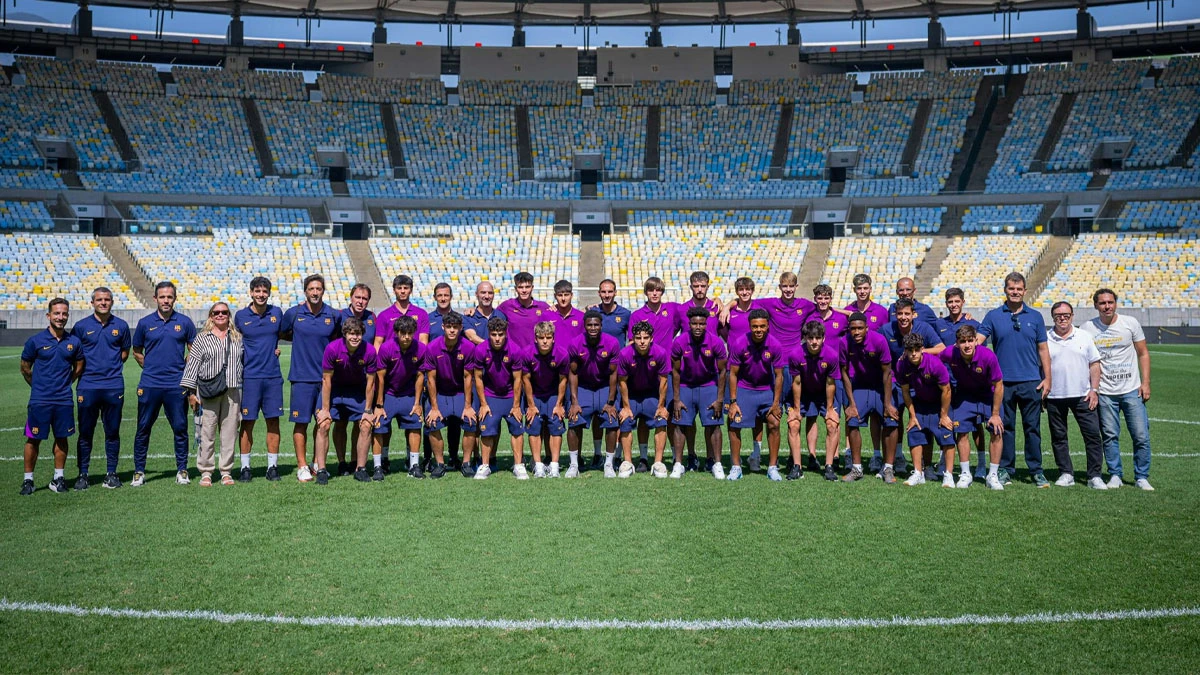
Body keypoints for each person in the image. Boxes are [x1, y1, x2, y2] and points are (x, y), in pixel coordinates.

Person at [976, 272, 1051, 487]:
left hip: (1031, 382)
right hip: (1002, 383)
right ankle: (1005, 469)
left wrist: (1048, 378)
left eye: (1019, 289)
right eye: (1011, 288)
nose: (1015, 292)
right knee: (1004, 427)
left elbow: (1043, 349)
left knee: (1032, 428)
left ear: (1025, 291)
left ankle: (1036, 470)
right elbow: (978, 341)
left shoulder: (1035, 316)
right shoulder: (993, 315)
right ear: (1005, 290)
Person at [1079, 288, 1154, 491]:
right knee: (1110, 436)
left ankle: (1141, 476)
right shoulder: (1087, 328)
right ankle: (1115, 475)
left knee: (1140, 435)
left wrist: (1145, 383)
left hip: (1132, 390)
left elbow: (1143, 353)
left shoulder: (1130, 323)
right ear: (1095, 305)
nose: (1107, 306)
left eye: (1110, 302)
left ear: (1116, 303)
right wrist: (1092, 389)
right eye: (1102, 303)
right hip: (1105, 392)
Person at [132, 281, 197, 487]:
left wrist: (182, 368)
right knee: (143, 428)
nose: (166, 300)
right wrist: (150, 367)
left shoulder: (185, 322)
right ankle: (139, 471)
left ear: (174, 299)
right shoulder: (145, 323)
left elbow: (193, 350)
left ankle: (182, 470)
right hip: (150, 384)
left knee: (180, 428)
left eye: (169, 297)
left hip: (176, 385)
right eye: (162, 297)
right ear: (155, 299)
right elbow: (136, 351)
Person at [19, 298, 83, 495]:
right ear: (48, 315)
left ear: (68, 316)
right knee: (33, 439)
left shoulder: (74, 342)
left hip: (63, 399)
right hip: (40, 400)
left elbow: (79, 366)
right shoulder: (35, 341)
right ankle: (28, 480)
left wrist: (66, 383)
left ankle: (58, 478)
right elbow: (25, 367)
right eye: (56, 313)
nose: (60, 317)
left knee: (62, 438)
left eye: (64, 314)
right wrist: (38, 386)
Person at [280, 274, 340, 483]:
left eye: (318, 289)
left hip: (325, 379)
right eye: (311, 289)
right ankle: (302, 465)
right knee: (301, 423)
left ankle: (317, 462)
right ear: (305, 291)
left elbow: (339, 340)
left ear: (323, 291)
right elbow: (280, 333)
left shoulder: (333, 315)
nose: (315, 293)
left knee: (323, 423)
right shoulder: (294, 313)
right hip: (301, 378)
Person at [71, 286, 130, 490]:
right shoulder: (81, 326)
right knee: (85, 432)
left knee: (112, 432)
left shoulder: (121, 325)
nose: (103, 303)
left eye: (107, 300)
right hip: (87, 386)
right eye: (99, 300)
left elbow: (124, 353)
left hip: (113, 386)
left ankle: (111, 473)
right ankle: (83, 474)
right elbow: (74, 354)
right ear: (92, 303)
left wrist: (109, 367)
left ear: (112, 302)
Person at [180, 302, 244, 487]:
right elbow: (192, 365)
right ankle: (206, 471)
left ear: (229, 315)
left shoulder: (237, 337)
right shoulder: (202, 338)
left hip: (232, 390)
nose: (220, 315)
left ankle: (226, 471)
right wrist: (191, 393)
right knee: (206, 431)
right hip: (208, 390)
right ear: (211, 316)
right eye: (216, 312)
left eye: (224, 312)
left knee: (229, 433)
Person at [879, 298, 944, 478]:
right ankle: (891, 463)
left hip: (921, 381)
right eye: (899, 314)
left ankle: (927, 465)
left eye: (907, 313)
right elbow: (877, 348)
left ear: (913, 314)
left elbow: (941, 348)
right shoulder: (886, 330)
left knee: (925, 421)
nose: (903, 317)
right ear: (895, 314)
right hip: (896, 381)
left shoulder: (924, 328)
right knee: (891, 419)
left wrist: (919, 352)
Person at [1045, 302, 1105, 489]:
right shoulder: (1045, 338)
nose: (1062, 318)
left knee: (1092, 436)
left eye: (1066, 315)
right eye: (1058, 315)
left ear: (1072, 316)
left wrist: (1094, 390)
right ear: (1053, 317)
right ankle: (1066, 473)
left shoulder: (1084, 336)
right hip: (1055, 396)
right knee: (1059, 437)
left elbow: (1094, 364)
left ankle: (1094, 476)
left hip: (1083, 395)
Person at [374, 274, 430, 472]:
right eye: (399, 288)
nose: (403, 291)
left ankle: (412, 462)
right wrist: (382, 363)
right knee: (382, 424)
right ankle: (383, 461)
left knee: (413, 423)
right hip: (389, 376)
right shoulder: (384, 315)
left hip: (410, 374)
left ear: (410, 290)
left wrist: (414, 359)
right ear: (395, 290)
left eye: (406, 288)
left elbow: (423, 341)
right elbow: (378, 342)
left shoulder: (421, 314)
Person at [940, 325, 1006, 491]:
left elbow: (999, 384)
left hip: (988, 394)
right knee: (961, 431)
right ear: (956, 343)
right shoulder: (950, 353)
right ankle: (965, 473)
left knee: (996, 429)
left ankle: (992, 475)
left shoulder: (988, 356)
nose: (967, 345)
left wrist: (995, 414)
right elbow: (936, 358)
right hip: (965, 394)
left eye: (970, 340)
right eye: (963, 341)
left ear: (976, 341)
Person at [314, 317, 379, 485]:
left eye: (358, 334)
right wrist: (325, 409)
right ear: (345, 334)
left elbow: (371, 382)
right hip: (335, 390)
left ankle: (360, 469)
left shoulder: (370, 350)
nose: (355, 337)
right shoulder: (332, 348)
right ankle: (322, 470)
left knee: (366, 424)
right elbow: (326, 380)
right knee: (324, 424)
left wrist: (368, 410)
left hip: (357, 391)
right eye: (351, 333)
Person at [235, 276, 285, 482]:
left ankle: (272, 467)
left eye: (264, 291)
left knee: (273, 422)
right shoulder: (240, 316)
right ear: (251, 293)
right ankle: (245, 468)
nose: (261, 295)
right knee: (247, 422)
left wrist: (276, 348)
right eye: (257, 291)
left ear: (269, 293)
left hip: (273, 377)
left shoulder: (277, 313)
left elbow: (286, 333)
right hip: (250, 377)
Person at [726, 309, 785, 481]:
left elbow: (779, 376)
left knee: (774, 423)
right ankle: (736, 467)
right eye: (755, 326)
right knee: (734, 423)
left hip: (766, 390)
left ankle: (772, 468)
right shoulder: (739, 343)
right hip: (745, 389)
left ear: (768, 326)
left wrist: (776, 403)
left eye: (762, 326)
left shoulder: (775, 345)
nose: (758, 330)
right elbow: (733, 374)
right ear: (750, 326)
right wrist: (733, 402)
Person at [628, 276, 680, 471]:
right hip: (643, 371)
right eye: (651, 290)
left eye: (658, 290)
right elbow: (632, 341)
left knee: (667, 414)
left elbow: (694, 307)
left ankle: (674, 457)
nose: (655, 293)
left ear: (662, 292)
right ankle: (643, 457)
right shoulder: (637, 315)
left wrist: (722, 303)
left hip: (665, 370)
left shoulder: (672, 310)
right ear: (646, 292)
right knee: (643, 416)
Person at [671, 306, 728, 479]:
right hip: (686, 386)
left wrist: (720, 399)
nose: (698, 327)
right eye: (694, 324)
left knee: (714, 425)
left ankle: (717, 464)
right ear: (689, 324)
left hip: (708, 385)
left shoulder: (716, 342)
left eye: (701, 324)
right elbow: (675, 371)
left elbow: (723, 371)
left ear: (706, 324)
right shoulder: (680, 341)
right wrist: (676, 399)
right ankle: (678, 464)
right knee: (680, 423)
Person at [468, 316, 527, 480]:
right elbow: (477, 378)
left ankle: (518, 465)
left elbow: (518, 379)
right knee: (487, 430)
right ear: (489, 334)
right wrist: (483, 404)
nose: (497, 338)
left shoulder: (515, 350)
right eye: (494, 334)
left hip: (510, 395)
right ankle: (485, 465)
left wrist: (516, 406)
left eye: (500, 334)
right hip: (490, 395)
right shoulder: (481, 350)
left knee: (517, 429)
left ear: (505, 333)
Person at [839, 312, 895, 483]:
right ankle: (856, 468)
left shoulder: (879, 340)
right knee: (852, 420)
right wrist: (851, 404)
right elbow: (844, 373)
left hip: (880, 386)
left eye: (860, 328)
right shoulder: (844, 342)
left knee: (891, 420)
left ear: (867, 328)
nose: (856, 332)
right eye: (853, 329)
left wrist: (887, 403)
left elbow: (887, 373)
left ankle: (888, 468)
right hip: (860, 386)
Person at [936, 287, 985, 478]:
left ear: (963, 302)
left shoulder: (973, 324)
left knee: (976, 424)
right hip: (946, 382)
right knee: (946, 420)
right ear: (946, 304)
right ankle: (944, 459)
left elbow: (980, 352)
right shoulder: (940, 324)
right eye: (950, 302)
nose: (954, 305)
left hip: (969, 383)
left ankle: (981, 463)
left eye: (957, 301)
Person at [895, 333, 956, 487]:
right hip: (920, 402)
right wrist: (912, 415)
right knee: (914, 430)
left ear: (922, 349)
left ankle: (948, 475)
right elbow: (905, 392)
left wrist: (944, 415)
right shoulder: (901, 365)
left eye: (917, 349)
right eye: (910, 350)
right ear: (905, 351)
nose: (913, 353)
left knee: (946, 432)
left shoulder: (935, 364)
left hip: (939, 403)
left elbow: (946, 390)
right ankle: (918, 473)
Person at [567, 311, 622, 477]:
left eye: (596, 325)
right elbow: (573, 373)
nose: (593, 328)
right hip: (583, 386)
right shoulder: (575, 343)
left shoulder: (611, 343)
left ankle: (608, 464)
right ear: (584, 326)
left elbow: (613, 374)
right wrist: (574, 402)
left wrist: (610, 402)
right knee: (574, 419)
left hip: (604, 386)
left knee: (611, 419)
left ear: (601, 325)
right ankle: (574, 465)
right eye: (589, 325)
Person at [422, 312, 477, 477]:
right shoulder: (432, 347)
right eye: (449, 327)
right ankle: (440, 464)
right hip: (441, 392)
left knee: (470, 421)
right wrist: (434, 407)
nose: (452, 330)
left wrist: (468, 406)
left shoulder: (468, 347)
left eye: (455, 327)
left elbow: (468, 377)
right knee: (432, 422)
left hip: (460, 392)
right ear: (443, 327)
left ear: (461, 328)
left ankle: (466, 463)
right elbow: (431, 379)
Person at [787, 321, 841, 481]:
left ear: (823, 338)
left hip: (823, 393)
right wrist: (796, 409)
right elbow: (796, 383)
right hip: (803, 393)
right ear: (805, 338)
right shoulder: (795, 354)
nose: (814, 342)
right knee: (793, 424)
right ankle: (797, 467)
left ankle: (829, 466)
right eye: (810, 338)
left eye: (818, 338)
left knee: (832, 424)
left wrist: (830, 409)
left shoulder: (832, 355)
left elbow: (830, 384)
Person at [616, 320, 671, 478]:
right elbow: (622, 382)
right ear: (633, 338)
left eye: (645, 338)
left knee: (661, 419)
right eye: (638, 338)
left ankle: (658, 463)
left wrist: (661, 406)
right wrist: (626, 407)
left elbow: (664, 382)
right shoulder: (625, 354)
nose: (642, 341)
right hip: (632, 395)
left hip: (651, 394)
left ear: (651, 338)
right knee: (625, 420)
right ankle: (627, 463)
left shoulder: (660, 353)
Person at [521, 321, 569, 477]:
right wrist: (531, 405)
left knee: (556, 424)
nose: (545, 341)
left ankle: (554, 465)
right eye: (541, 338)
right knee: (534, 424)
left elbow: (563, 380)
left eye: (548, 337)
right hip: (535, 394)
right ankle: (538, 465)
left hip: (553, 394)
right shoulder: (527, 353)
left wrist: (559, 404)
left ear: (553, 338)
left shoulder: (562, 354)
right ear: (535, 338)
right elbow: (526, 380)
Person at [496, 271, 551, 352]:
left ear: (532, 287)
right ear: (516, 289)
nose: (524, 290)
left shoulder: (543, 307)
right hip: (514, 354)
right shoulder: (507, 306)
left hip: (536, 355)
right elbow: (491, 317)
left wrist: (556, 307)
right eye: (520, 287)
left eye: (527, 287)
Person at [463, 281, 507, 345]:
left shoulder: (501, 316)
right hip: (478, 351)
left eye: (490, 293)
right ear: (476, 294)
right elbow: (472, 337)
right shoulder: (468, 317)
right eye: (483, 292)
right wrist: (491, 346)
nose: (487, 296)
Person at [595, 278, 632, 347]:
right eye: (603, 292)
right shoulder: (593, 313)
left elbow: (633, 339)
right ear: (599, 293)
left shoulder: (625, 314)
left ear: (615, 293)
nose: (607, 295)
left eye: (610, 292)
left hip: (618, 354)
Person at [549, 280, 586, 347]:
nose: (563, 299)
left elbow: (584, 341)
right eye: (560, 295)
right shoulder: (547, 315)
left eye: (566, 295)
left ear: (571, 295)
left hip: (574, 354)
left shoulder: (581, 316)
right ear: (555, 296)